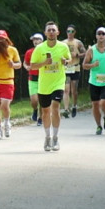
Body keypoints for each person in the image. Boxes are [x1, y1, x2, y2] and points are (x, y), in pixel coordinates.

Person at [29, 21, 71, 151]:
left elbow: (69, 61)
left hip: (58, 82)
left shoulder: (63, 47)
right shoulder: (39, 48)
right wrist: (44, 63)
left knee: (55, 107)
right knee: (46, 111)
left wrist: (65, 61)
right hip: (44, 85)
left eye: (54, 30)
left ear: (58, 32)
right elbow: (32, 66)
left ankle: (56, 138)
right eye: (49, 30)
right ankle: (47, 137)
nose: (51, 32)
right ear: (45, 32)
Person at [82, 27, 105, 135]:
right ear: (96, 36)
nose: (101, 36)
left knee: (104, 102)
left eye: (103, 34)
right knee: (95, 104)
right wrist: (93, 65)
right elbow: (84, 65)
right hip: (94, 81)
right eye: (99, 34)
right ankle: (98, 125)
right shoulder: (91, 50)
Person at [62, 25, 86, 117]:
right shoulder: (63, 43)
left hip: (75, 67)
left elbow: (85, 53)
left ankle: (74, 106)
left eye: (72, 31)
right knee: (66, 89)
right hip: (66, 68)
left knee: (74, 90)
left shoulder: (78, 43)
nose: (70, 33)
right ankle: (66, 109)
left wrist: (77, 55)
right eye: (68, 31)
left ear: (74, 32)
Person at [24, 33, 44, 126]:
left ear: (42, 41)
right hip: (32, 78)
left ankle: (41, 118)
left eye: (37, 39)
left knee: (42, 100)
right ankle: (35, 110)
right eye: (34, 40)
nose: (35, 41)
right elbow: (25, 63)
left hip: (43, 78)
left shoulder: (45, 51)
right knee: (34, 100)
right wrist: (27, 67)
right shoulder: (29, 52)